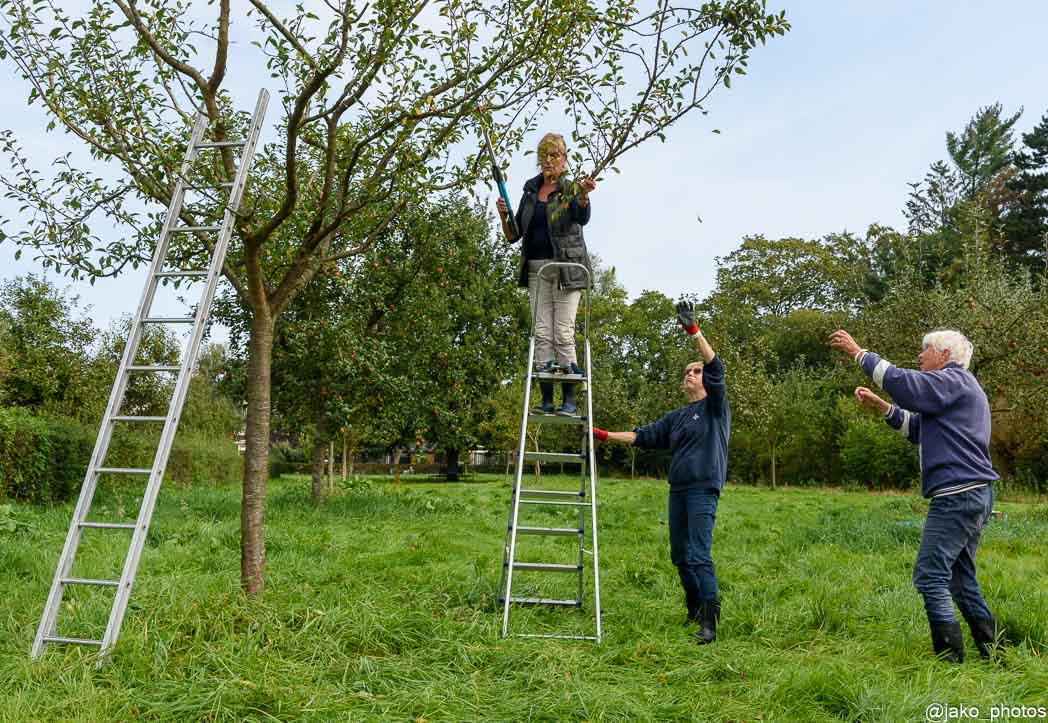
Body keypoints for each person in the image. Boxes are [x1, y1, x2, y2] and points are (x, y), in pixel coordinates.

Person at [829, 328, 1002, 662]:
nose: (920, 356)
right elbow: (918, 429)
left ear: (945, 355)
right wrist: (883, 408)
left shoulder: (954, 380)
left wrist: (858, 353)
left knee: (929, 575)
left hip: (957, 495)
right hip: (974, 493)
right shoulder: (957, 391)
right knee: (959, 577)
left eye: (925, 349)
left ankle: (949, 661)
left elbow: (905, 385)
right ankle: (994, 652)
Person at [592, 302, 730, 644]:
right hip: (678, 491)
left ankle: (710, 624)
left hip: (703, 489)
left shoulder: (715, 408)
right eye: (686, 371)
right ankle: (694, 610)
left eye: (695, 371)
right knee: (680, 557)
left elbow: (717, 367)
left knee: (699, 554)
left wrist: (693, 331)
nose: (689, 374)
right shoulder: (677, 417)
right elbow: (643, 436)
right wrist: (605, 435)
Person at [496, 132, 596, 416]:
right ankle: (546, 398)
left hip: (565, 269)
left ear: (565, 160)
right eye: (545, 155)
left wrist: (584, 194)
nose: (549, 160)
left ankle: (569, 400)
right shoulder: (530, 191)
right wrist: (504, 216)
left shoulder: (569, 189)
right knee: (542, 334)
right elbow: (514, 235)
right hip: (537, 270)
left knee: (562, 333)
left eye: (555, 155)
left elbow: (581, 216)